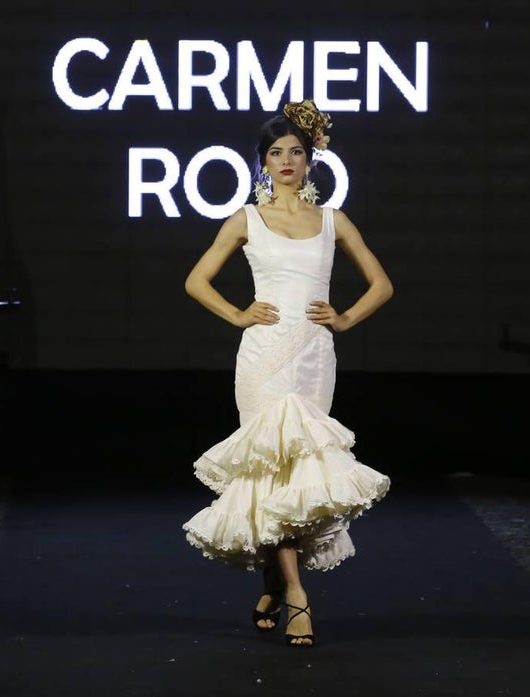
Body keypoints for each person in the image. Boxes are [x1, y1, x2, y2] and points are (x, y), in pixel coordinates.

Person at [181, 100, 394, 648]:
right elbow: (196, 280)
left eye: (296, 152)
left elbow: (382, 284)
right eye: (276, 153)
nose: (286, 161)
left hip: (313, 357)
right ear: (263, 162)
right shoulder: (246, 219)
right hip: (262, 358)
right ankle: (297, 593)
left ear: (310, 159)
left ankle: (275, 580)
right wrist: (237, 314)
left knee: (302, 475)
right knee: (268, 471)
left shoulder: (332, 220)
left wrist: (344, 318)